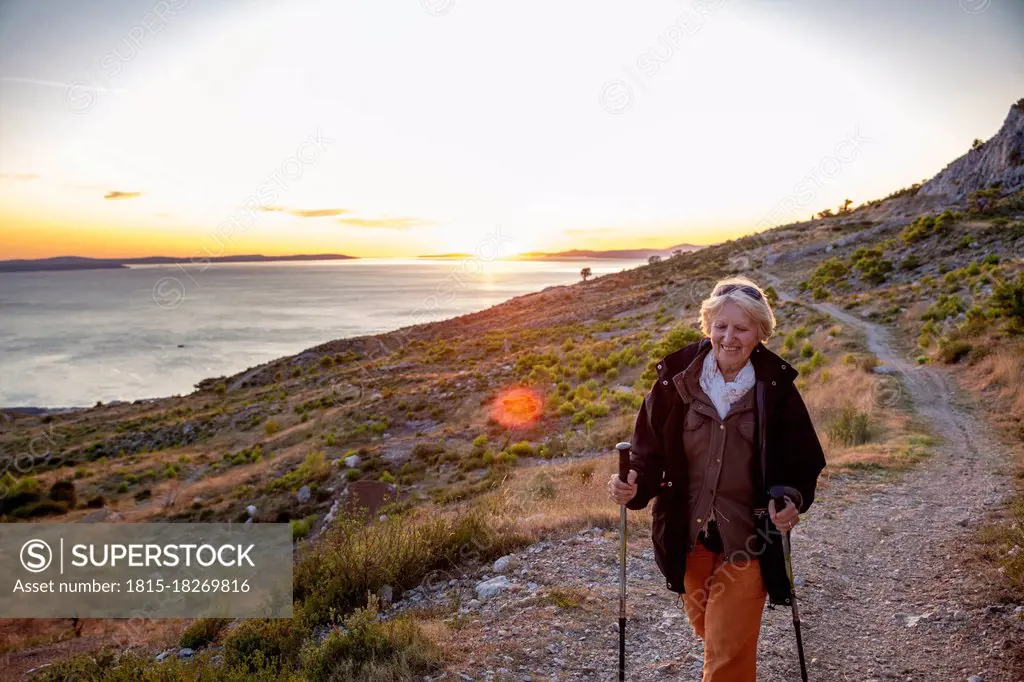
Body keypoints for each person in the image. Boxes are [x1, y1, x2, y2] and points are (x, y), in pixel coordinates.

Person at [607, 275, 827, 682]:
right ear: (707, 326)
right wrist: (635, 482)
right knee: (714, 635)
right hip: (687, 539)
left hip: (748, 541)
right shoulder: (675, 382)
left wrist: (791, 497)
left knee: (726, 654)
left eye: (742, 328)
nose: (730, 337)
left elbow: (802, 459)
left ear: (760, 332)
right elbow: (647, 450)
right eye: (721, 326)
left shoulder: (775, 389)